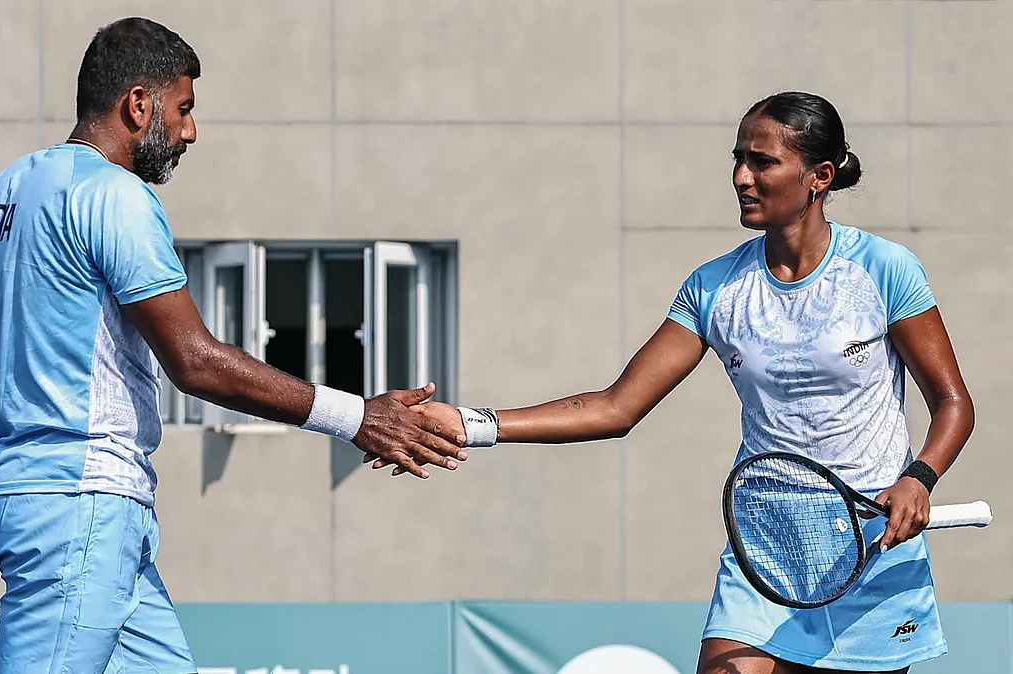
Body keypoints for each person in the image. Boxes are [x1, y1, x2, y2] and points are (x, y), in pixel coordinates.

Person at [0, 17, 466, 674]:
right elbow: (192, 361)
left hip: (52, 510)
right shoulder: (115, 196)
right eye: (184, 108)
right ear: (138, 104)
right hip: (81, 510)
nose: (190, 131)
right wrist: (357, 417)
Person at [394, 91, 975, 674]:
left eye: (762, 162)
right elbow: (615, 407)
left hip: (873, 550)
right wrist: (471, 425)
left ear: (818, 176)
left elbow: (953, 403)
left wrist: (918, 478)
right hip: (765, 547)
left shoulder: (884, 269)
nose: (741, 177)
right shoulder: (713, 287)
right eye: (737, 159)